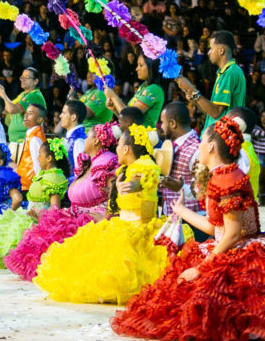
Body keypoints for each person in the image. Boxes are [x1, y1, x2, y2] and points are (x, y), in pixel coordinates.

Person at [112, 116, 265, 341]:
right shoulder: (221, 176)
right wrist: (182, 211)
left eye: (202, 140)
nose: (200, 146)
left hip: (240, 253)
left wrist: (202, 268)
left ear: (211, 146)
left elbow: (232, 234)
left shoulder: (228, 179)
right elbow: (217, 229)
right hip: (226, 246)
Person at [34, 125, 168, 305]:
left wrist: (133, 185)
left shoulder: (145, 166)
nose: (116, 148)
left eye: (119, 145)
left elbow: (141, 180)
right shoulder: (123, 170)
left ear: (126, 149)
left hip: (141, 230)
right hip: (122, 226)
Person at [5, 122, 121, 281]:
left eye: (88, 136)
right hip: (75, 214)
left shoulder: (107, 161)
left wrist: (106, 216)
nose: (85, 139)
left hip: (93, 220)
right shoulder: (89, 162)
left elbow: (115, 192)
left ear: (96, 141)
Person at [176, 30, 246, 133]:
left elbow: (216, 112)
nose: (208, 52)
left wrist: (192, 89)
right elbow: (210, 111)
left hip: (223, 137)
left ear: (221, 50)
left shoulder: (230, 73)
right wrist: (194, 98)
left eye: (211, 48)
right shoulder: (223, 72)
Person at [158, 102, 202, 217]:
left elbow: (203, 190)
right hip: (172, 216)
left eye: (162, 122)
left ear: (172, 123)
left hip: (192, 219)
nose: (161, 127)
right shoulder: (171, 145)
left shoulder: (196, 149)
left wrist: (180, 188)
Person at [104, 54, 164, 128]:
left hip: (143, 137)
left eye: (141, 65)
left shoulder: (154, 89)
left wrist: (113, 96)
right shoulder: (143, 87)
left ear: (151, 67)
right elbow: (126, 118)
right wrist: (115, 110)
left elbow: (130, 117)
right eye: (137, 65)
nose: (136, 69)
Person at [0, 67, 46, 143]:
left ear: (35, 81)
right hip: (16, 141)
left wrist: (2, 92)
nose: (23, 80)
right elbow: (7, 109)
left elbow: (12, 109)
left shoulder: (34, 95)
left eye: (27, 77)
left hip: (26, 141)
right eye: (22, 77)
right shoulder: (23, 95)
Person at [16, 104, 47, 192]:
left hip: (30, 185)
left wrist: (38, 186)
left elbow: (38, 164)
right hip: (26, 183)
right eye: (26, 113)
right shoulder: (32, 135)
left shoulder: (35, 138)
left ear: (39, 119)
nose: (25, 116)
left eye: (30, 113)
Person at [60, 100, 87, 171]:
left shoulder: (79, 141)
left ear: (73, 117)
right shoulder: (71, 137)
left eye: (64, 113)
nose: (60, 116)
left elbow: (80, 171)